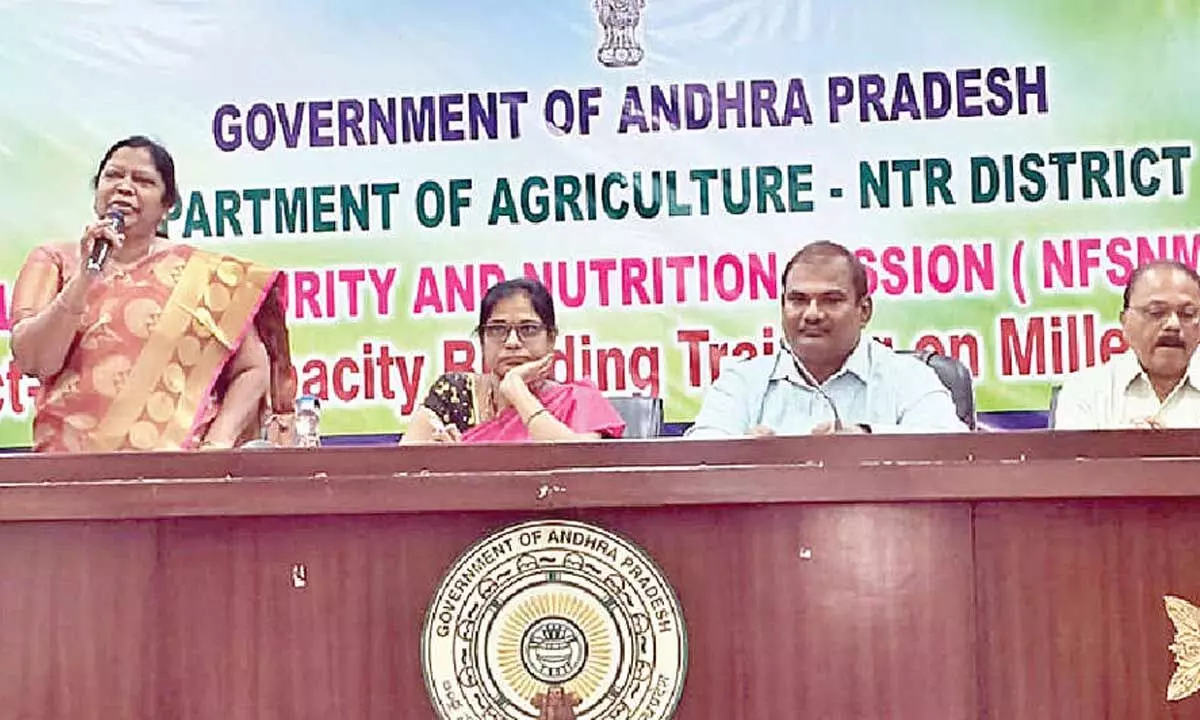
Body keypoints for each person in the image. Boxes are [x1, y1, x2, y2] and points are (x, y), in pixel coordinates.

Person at [10, 135, 296, 452]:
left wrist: (217, 443)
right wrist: (84, 278)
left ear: (167, 206)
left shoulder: (203, 275)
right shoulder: (55, 261)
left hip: (176, 470)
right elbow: (34, 360)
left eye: (143, 180)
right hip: (69, 467)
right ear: (97, 192)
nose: (124, 187)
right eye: (113, 175)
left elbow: (252, 369)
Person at [688, 241, 966, 437]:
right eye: (798, 300)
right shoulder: (741, 382)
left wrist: (866, 439)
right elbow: (698, 456)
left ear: (864, 311)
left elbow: (951, 449)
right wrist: (740, 454)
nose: (812, 314)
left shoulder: (910, 377)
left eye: (831, 300)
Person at [402, 278, 625, 443]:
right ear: (482, 339)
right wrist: (441, 464)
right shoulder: (454, 394)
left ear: (551, 339)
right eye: (497, 329)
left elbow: (580, 463)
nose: (512, 342)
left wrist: (517, 391)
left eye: (528, 329)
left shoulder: (578, 400)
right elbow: (401, 472)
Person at [1055, 260, 1200, 429]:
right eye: (1156, 312)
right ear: (1125, 322)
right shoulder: (1085, 390)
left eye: (1188, 314)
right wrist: (1124, 442)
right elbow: (1073, 447)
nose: (1173, 325)